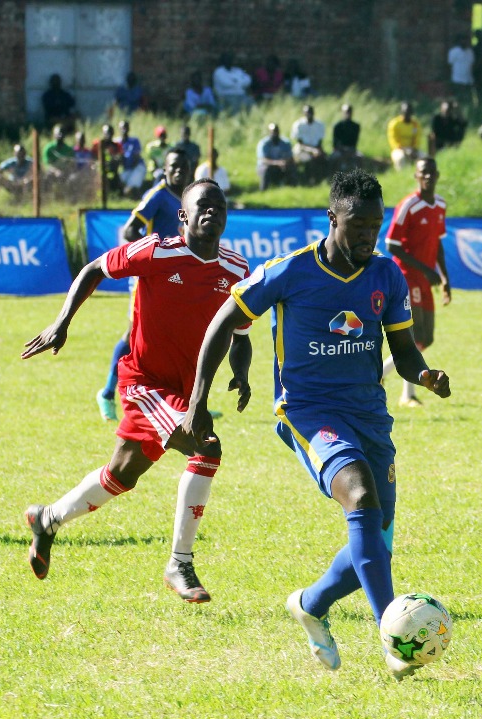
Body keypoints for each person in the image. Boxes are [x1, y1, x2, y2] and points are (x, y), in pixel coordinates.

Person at [179, 168, 451, 679]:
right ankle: (392, 634)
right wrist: (198, 401)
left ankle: (309, 603)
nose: (370, 236)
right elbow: (223, 320)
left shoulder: (386, 275)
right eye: (359, 226)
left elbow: (405, 352)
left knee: (375, 541)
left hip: (369, 415)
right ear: (332, 219)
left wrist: (426, 376)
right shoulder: (289, 272)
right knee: (361, 498)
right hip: (308, 411)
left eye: (376, 225)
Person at [23, 178, 252, 604]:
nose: (212, 212)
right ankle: (179, 563)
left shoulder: (236, 270)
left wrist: (241, 373)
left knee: (121, 475)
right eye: (202, 206)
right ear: (182, 216)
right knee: (207, 449)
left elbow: (239, 332)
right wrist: (62, 322)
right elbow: (95, 268)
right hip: (144, 383)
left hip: (183, 390)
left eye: (219, 206)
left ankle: (47, 518)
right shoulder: (158, 251)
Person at [97, 149, 196, 423]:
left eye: (183, 166)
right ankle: (107, 392)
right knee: (132, 336)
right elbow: (130, 229)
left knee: (180, 334)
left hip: (178, 277)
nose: (179, 171)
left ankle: (188, 401)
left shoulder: (190, 198)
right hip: (150, 277)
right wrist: (150, 257)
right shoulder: (158, 195)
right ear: (164, 169)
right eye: (173, 166)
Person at [382, 157, 451, 408]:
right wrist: (425, 269)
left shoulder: (440, 204)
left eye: (432, 172)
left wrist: (444, 278)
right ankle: (404, 391)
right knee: (413, 337)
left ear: (437, 174)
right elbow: (392, 244)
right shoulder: (408, 205)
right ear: (416, 176)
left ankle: (385, 377)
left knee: (426, 338)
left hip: (425, 278)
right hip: (407, 277)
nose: (429, 176)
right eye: (424, 172)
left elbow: (438, 242)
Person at [290, 104, 327, 185]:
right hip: (302, 149)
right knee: (307, 159)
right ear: (303, 113)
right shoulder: (298, 125)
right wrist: (312, 151)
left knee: (325, 159)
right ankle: (307, 180)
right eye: (307, 112)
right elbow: (300, 143)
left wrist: (318, 151)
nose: (309, 114)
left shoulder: (319, 124)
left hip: (316, 148)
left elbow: (320, 141)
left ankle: (322, 179)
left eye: (310, 112)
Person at [256, 122, 295, 190]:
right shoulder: (264, 144)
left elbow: (290, 157)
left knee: (292, 166)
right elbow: (263, 160)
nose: (275, 134)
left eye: (276, 131)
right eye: (273, 132)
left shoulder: (285, 143)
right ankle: (263, 189)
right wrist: (277, 163)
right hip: (268, 167)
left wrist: (286, 162)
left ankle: (293, 186)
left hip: (281, 167)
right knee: (266, 169)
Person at [387, 102, 423, 170]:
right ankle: (401, 175)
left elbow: (417, 138)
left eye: (409, 112)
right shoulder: (394, 124)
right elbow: (393, 140)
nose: (407, 114)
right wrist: (404, 150)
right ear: (401, 112)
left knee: (424, 158)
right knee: (400, 158)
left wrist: (414, 149)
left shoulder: (415, 124)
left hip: (412, 149)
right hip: (398, 149)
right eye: (405, 112)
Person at [91, 123, 123, 196]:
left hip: (112, 169)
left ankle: (118, 195)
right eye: (106, 132)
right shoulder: (97, 144)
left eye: (110, 132)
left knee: (116, 177)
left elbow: (119, 157)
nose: (108, 134)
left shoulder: (116, 145)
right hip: (99, 168)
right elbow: (92, 157)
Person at [116, 120, 145, 199]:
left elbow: (136, 157)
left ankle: (135, 196)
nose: (124, 129)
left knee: (132, 186)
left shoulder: (134, 141)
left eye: (125, 127)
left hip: (136, 167)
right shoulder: (116, 142)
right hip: (126, 169)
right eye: (122, 128)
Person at [330, 103, 363, 172]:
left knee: (360, 156)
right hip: (339, 150)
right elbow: (335, 143)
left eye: (349, 111)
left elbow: (354, 142)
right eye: (346, 112)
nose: (348, 113)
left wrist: (350, 150)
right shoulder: (337, 126)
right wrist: (343, 150)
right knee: (334, 157)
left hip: (351, 149)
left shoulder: (356, 126)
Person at [447, 35, 475, 108]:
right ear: (459, 41)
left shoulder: (470, 52)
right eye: (462, 40)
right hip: (457, 80)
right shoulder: (453, 52)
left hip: (468, 80)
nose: (464, 42)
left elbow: (471, 65)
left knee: (468, 101)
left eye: (465, 40)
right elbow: (450, 65)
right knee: (458, 100)